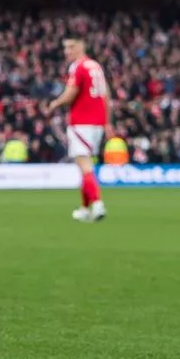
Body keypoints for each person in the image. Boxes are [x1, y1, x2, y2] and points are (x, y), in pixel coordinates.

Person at [47, 37, 109, 222]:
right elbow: (106, 95)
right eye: (65, 47)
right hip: (97, 123)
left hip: (82, 122)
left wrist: (55, 104)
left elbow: (71, 93)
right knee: (86, 166)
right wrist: (107, 121)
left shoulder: (78, 66)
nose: (67, 51)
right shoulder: (96, 66)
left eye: (71, 47)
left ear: (82, 46)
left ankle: (97, 205)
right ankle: (84, 208)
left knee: (84, 165)